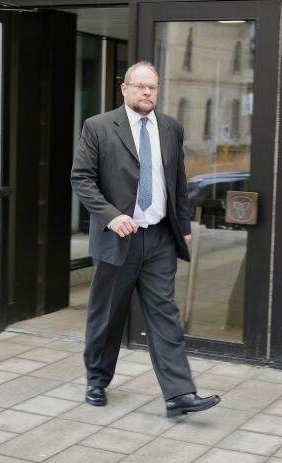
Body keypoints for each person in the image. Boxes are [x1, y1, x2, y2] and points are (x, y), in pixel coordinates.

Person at [70, 61, 220, 418]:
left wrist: (181, 224)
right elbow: (81, 179)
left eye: (152, 87)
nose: (147, 93)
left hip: (158, 240)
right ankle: (97, 379)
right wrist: (111, 216)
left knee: (165, 315)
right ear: (124, 89)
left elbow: (178, 182)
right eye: (139, 86)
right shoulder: (99, 127)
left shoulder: (170, 128)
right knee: (107, 315)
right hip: (118, 237)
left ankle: (179, 394)